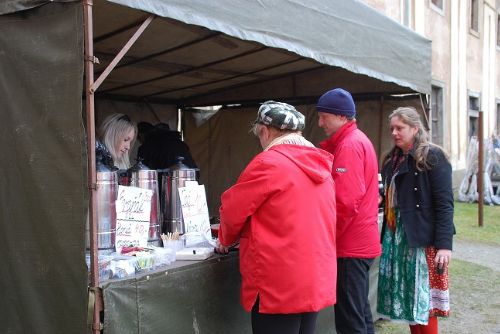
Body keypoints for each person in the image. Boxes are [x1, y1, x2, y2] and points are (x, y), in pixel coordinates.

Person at [217, 101, 337, 334]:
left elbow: (234, 210)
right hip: (313, 275)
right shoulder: (321, 164)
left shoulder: (268, 162)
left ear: (265, 131)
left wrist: (225, 238)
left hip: (279, 280)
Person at [377, 107, 455, 334]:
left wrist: (444, 245)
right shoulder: (392, 159)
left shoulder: (432, 156)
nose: (394, 132)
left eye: (399, 128)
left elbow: (444, 203)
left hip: (422, 239)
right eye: (392, 128)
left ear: (415, 128)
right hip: (399, 237)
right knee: (410, 300)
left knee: (424, 303)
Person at [316, 88, 381, 334]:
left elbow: (345, 201)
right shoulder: (356, 140)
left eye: (324, 116)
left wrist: (326, 237)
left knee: (349, 320)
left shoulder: (350, 146)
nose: (320, 122)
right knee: (360, 313)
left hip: (349, 247)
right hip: (358, 244)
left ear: (342, 116)